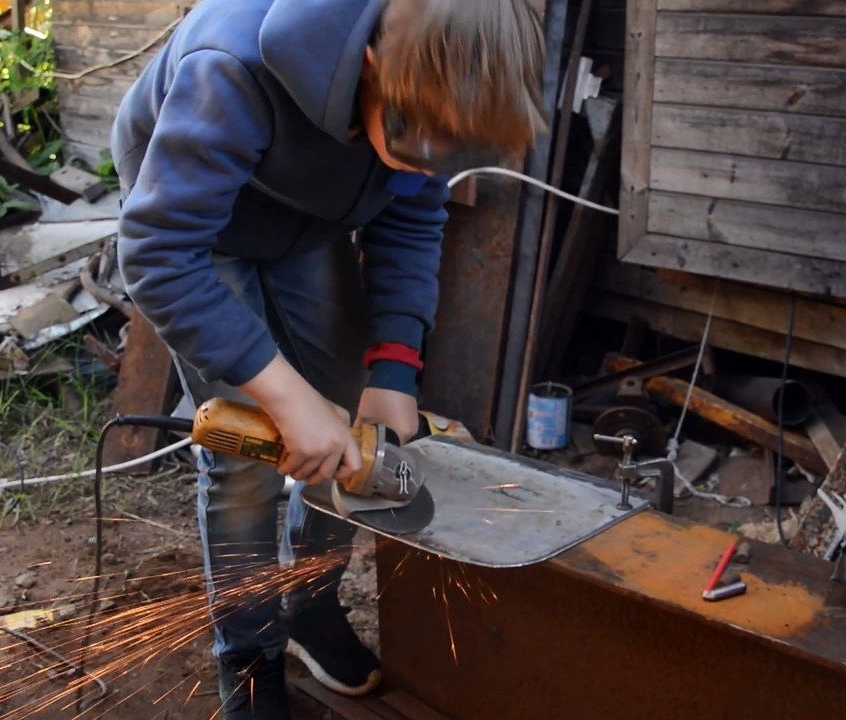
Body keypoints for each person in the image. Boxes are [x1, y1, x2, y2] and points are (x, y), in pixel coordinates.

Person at [110, 0, 546, 717]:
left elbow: (411, 218)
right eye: (413, 135)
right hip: (193, 230)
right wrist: (283, 396)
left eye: (447, 150)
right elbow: (160, 258)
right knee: (251, 459)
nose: (425, 157)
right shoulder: (230, 68)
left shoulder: (429, 94)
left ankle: (311, 606)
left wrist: (395, 371)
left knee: (347, 422)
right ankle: (249, 664)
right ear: (373, 62)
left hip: (309, 216)